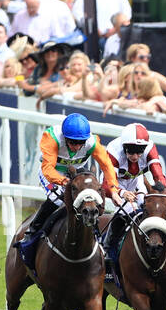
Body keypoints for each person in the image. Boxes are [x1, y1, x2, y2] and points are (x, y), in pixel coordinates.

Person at [21, 112, 127, 261]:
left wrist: (114, 190)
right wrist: (64, 182)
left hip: (78, 172)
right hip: (53, 172)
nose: (77, 147)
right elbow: (48, 169)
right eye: (72, 142)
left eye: (80, 143)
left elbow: (107, 165)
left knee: (89, 198)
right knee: (58, 199)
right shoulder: (51, 139)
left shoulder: (92, 142)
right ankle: (33, 231)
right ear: (65, 138)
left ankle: (95, 235)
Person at [103, 123, 166, 263]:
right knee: (125, 211)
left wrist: (162, 191)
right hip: (117, 182)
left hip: (137, 179)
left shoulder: (150, 148)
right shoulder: (114, 151)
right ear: (124, 147)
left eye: (139, 152)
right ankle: (108, 248)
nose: (135, 156)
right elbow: (107, 185)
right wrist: (121, 193)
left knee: (146, 207)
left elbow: (158, 175)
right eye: (131, 151)